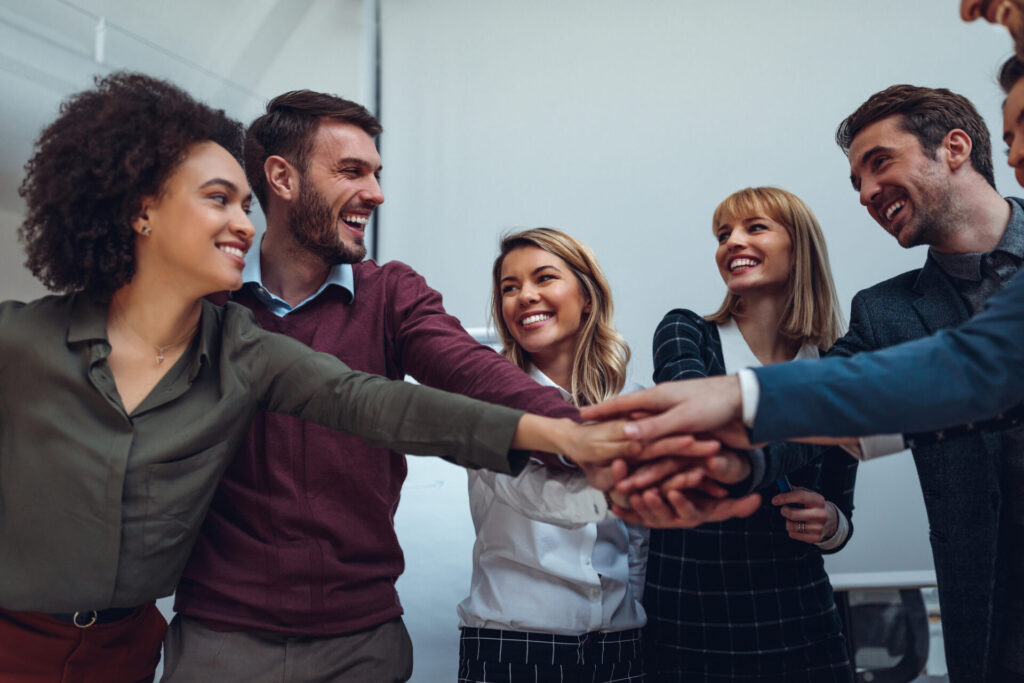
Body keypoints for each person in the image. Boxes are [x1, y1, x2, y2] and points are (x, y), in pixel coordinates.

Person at [0, 72, 639, 683]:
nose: (376, 193)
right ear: (283, 176)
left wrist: (577, 431)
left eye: (377, 173)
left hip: (357, 639)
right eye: (351, 171)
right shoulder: (209, 313)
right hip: (218, 636)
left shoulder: (374, 301)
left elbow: (412, 396)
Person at [642, 188, 856, 682]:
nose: (731, 242)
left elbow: (842, 511)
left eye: (754, 227)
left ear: (798, 245)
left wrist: (828, 523)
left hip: (801, 619)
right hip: (690, 619)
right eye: (723, 234)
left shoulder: (835, 364)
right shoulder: (685, 332)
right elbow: (701, 430)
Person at [456, 228, 648, 682]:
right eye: (510, 287)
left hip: (620, 642)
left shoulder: (635, 400)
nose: (526, 296)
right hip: (512, 645)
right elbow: (534, 495)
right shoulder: (485, 404)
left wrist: (631, 609)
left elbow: (638, 538)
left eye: (544, 278)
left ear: (587, 297)